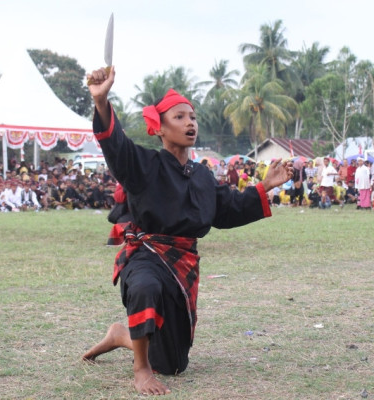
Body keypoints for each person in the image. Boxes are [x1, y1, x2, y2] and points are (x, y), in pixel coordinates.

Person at [81, 66, 293, 396]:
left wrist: (265, 186)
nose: (189, 123)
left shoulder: (203, 177)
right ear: (160, 128)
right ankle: (140, 369)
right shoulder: (144, 165)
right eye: (179, 117)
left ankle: (121, 335)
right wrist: (102, 101)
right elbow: (117, 146)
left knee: (175, 365)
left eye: (192, 117)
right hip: (146, 255)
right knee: (145, 288)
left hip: (183, 265)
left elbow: (229, 208)